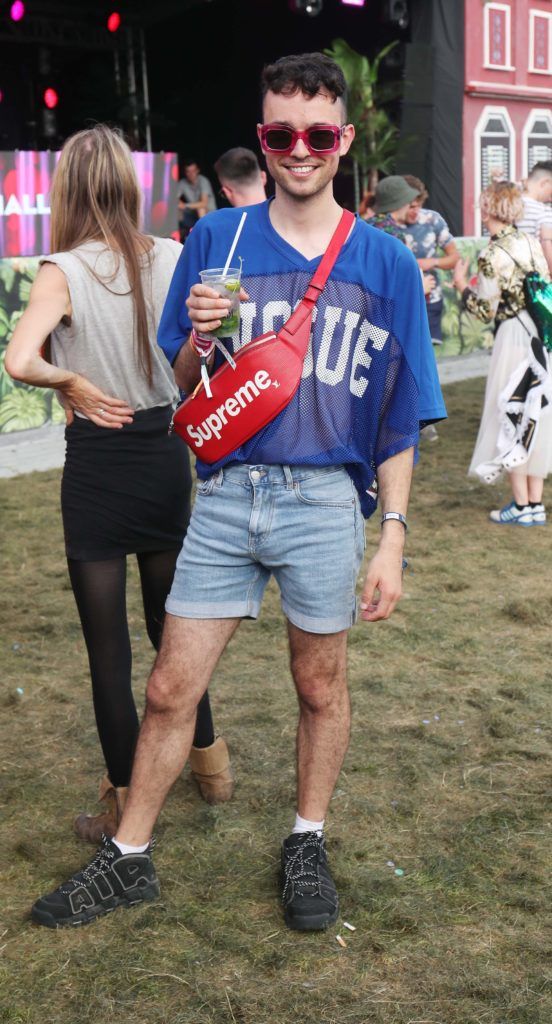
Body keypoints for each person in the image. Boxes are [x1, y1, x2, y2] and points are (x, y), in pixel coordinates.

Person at [31, 53, 445, 932]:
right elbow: (181, 383)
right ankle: (130, 859)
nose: (300, 150)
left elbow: (400, 417)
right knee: (170, 689)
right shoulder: (216, 241)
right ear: (263, 138)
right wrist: (197, 341)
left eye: (318, 134)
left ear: (343, 141)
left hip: (326, 501)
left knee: (319, 685)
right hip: (222, 497)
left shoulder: (387, 264)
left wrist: (395, 537)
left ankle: (307, 838)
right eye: (281, 134)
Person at [5, 126, 232, 845]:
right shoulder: (171, 253)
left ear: (67, 190)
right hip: (166, 453)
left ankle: (127, 800)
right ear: (133, 188)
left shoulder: (61, 269)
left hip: (100, 465)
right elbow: (202, 356)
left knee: (111, 648)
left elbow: (18, 361)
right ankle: (210, 767)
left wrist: (69, 377)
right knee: (173, 629)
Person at [453, 181, 552, 525]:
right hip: (539, 336)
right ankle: (534, 504)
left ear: (489, 209)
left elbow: (484, 311)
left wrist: (462, 285)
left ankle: (521, 505)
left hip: (512, 337)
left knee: (509, 414)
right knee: (534, 415)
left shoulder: (492, 254)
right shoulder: (529, 241)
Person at [403, 174, 460, 347]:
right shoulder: (386, 223)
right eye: (411, 207)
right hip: (401, 298)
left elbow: (454, 258)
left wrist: (432, 262)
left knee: (426, 353)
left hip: (430, 299)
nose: (415, 211)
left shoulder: (432, 220)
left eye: (419, 206)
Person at [516, 161, 552, 274]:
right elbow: (547, 247)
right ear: (544, 183)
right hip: (533, 278)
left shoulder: (508, 207)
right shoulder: (544, 211)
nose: (550, 199)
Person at [177, 159, 217, 240]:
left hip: (209, 214)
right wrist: (178, 203)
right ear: (185, 172)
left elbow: (203, 203)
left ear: (198, 171)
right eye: (188, 171)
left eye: (193, 171)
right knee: (175, 210)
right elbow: (172, 199)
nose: (191, 174)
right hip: (192, 214)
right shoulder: (182, 183)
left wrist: (184, 205)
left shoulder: (203, 181)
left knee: (200, 209)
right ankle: (179, 235)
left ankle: (205, 236)